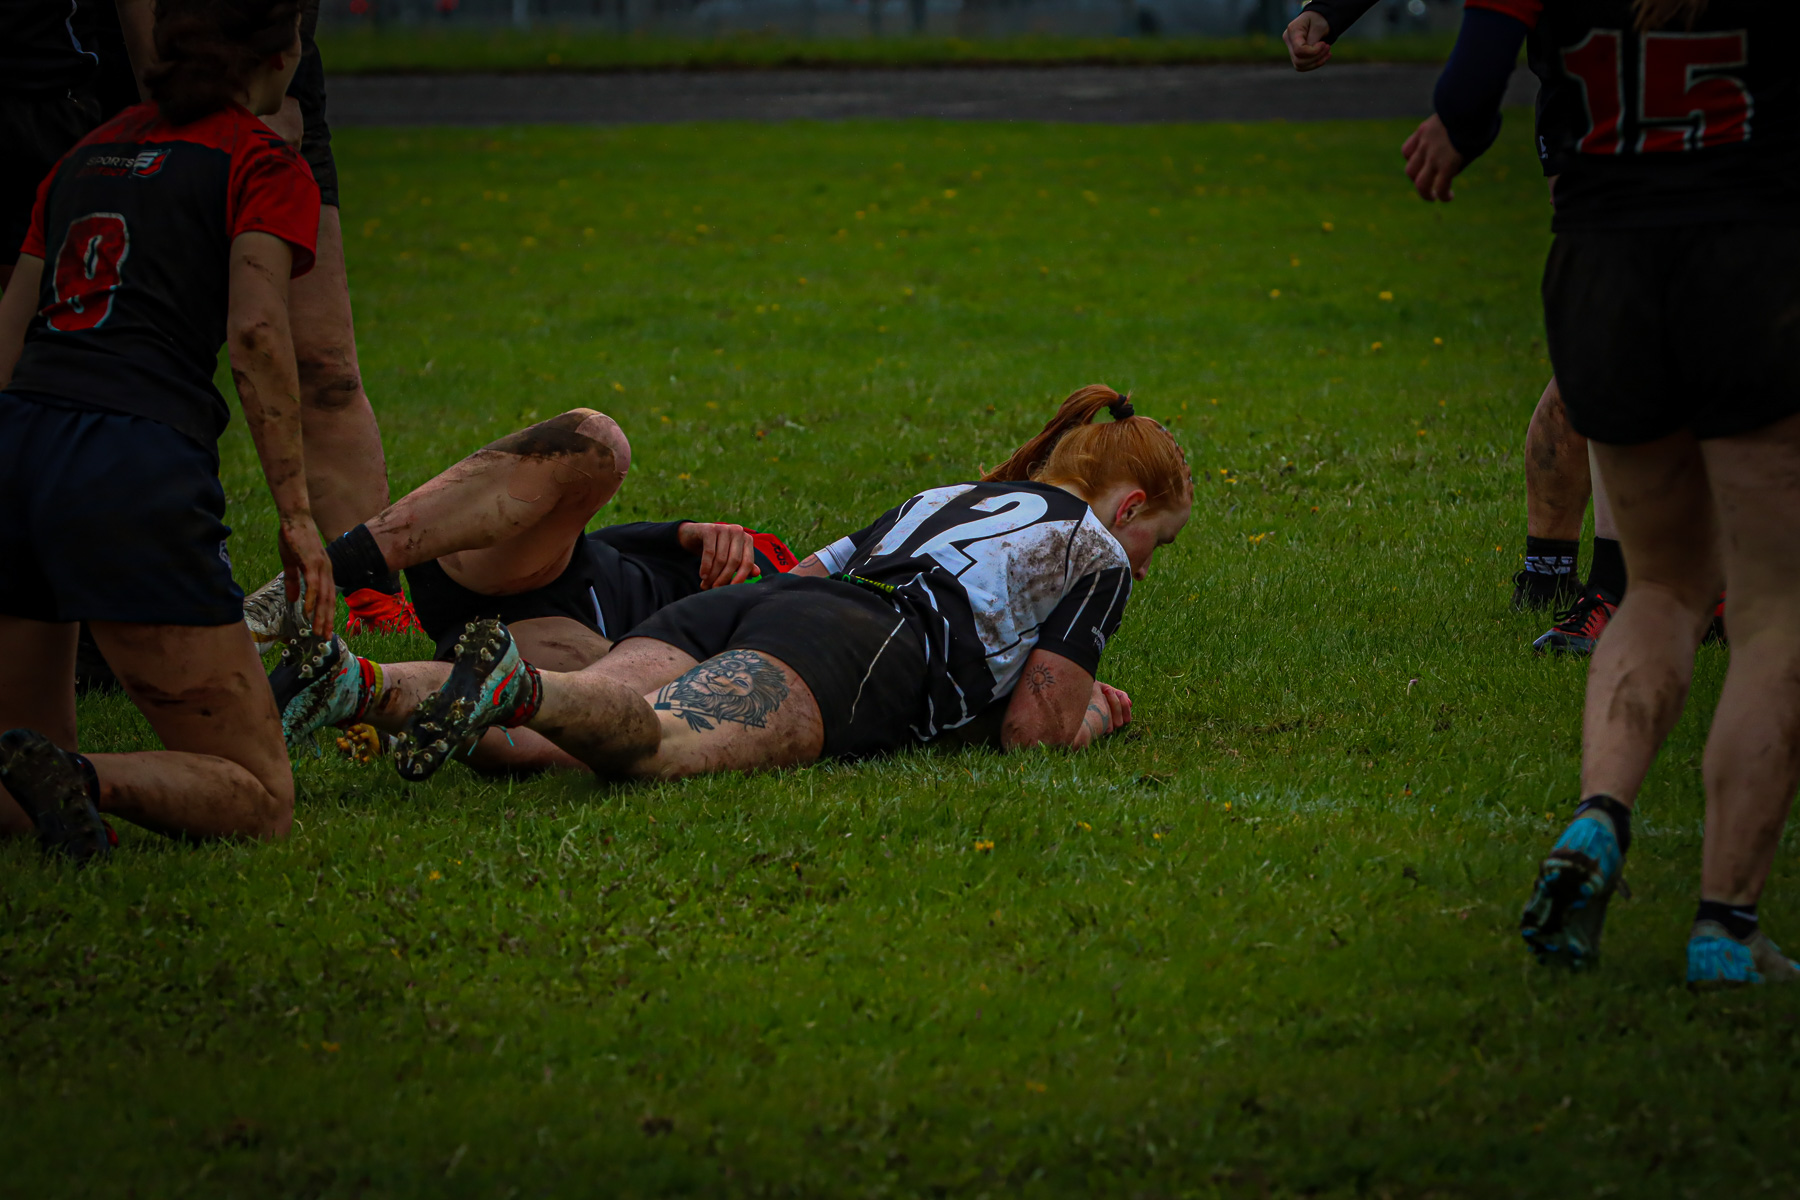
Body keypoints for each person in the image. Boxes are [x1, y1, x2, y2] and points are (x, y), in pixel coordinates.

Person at [1406, 0, 1800, 983]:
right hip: (1749, 257)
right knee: (1774, 609)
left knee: (1659, 587)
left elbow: (1468, 92)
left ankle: (1599, 814)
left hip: (1601, 267)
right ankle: (1725, 927)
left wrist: (1458, 131)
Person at [379, 386, 1186, 784]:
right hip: (856, 642)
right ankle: (512, 686)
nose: (1145, 563)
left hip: (763, 605)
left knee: (565, 737)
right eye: (1158, 541)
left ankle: (362, 686)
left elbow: (806, 570)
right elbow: (1033, 734)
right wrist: (1096, 714)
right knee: (656, 747)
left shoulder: (946, 496)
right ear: (1131, 505)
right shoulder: (1097, 552)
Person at [0, 0, 334, 861]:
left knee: (14, 783)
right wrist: (298, 515)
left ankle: (58, 777)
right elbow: (257, 333)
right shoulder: (261, 160)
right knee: (260, 796)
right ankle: (87, 779)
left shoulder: (84, 150)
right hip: (129, 466)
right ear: (283, 48)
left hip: (19, 444)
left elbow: (10, 329)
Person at [1284, 0, 1630, 651]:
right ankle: (1567, 574)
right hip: (1636, 126)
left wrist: (1463, 116)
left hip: (1674, 137)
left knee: (1623, 359)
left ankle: (1622, 586)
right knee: (1616, 358)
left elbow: (1484, 55)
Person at [266, 407, 798, 772]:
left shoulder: (802, 660)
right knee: (597, 442)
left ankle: (346, 685)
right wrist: (681, 531)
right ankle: (312, 579)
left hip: (570, 648)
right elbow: (619, 545)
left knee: (569, 727)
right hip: (547, 570)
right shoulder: (791, 568)